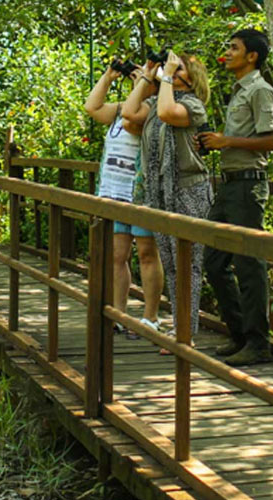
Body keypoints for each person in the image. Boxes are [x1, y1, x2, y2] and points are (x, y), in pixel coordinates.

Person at [197, 29, 273, 366]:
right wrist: (214, 143)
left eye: (234, 48)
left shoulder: (261, 90)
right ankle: (240, 334)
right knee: (215, 262)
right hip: (229, 185)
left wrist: (228, 142)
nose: (227, 52)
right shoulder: (239, 92)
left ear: (252, 56)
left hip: (248, 187)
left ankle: (258, 342)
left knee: (249, 264)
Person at [121, 51, 214, 354]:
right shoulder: (158, 99)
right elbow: (129, 114)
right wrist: (149, 75)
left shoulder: (192, 106)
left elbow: (165, 113)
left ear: (191, 77)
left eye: (179, 69)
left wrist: (165, 77)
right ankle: (178, 324)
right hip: (159, 193)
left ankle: (186, 332)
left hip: (190, 191)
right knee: (172, 264)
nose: (171, 71)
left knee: (190, 264)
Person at [84, 59, 164, 337]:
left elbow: (132, 120)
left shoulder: (153, 110)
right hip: (113, 191)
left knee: (146, 253)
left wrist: (145, 80)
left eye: (143, 78)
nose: (136, 78)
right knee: (117, 255)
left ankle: (150, 316)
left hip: (140, 193)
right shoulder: (122, 107)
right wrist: (109, 76)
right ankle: (119, 312)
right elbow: (92, 107)